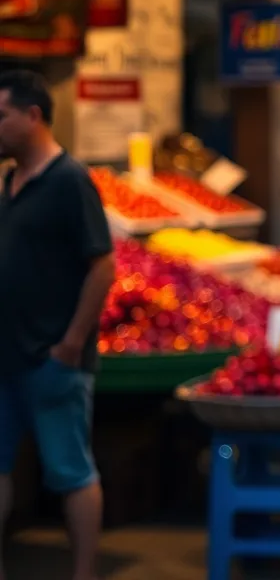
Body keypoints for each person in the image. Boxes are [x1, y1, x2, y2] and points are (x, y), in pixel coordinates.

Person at [0, 70, 115, 580]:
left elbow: (102, 266)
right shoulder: (8, 182)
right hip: (6, 357)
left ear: (33, 116)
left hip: (53, 361)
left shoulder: (71, 181)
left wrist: (70, 344)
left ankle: (83, 574)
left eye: (1, 115)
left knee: (71, 472)